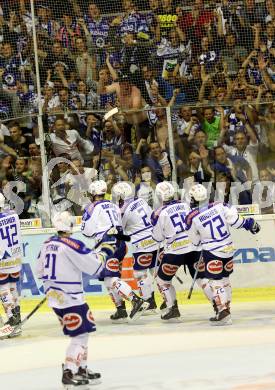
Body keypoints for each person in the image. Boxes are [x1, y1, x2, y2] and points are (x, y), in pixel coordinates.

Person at [36, 211, 116, 387]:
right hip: (71, 298)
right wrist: (104, 253)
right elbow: (95, 268)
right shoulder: (73, 244)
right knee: (80, 336)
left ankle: (81, 368)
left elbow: (39, 272)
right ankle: (69, 371)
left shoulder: (46, 243)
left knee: (82, 333)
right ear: (70, 225)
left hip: (54, 297)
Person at [185, 184, 261, 326]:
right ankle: (227, 309)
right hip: (228, 248)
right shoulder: (221, 205)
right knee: (225, 279)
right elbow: (237, 221)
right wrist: (251, 224)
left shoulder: (191, 217)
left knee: (216, 281)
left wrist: (203, 237)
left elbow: (194, 241)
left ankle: (223, 312)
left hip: (212, 252)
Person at [81, 180, 149, 322]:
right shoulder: (113, 205)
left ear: (93, 194)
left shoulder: (91, 207)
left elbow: (87, 232)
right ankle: (120, 309)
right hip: (120, 244)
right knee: (110, 279)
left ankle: (136, 300)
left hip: (107, 245)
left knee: (110, 278)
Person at [151, 182, 207, 321]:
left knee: (162, 280)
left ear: (159, 196)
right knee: (202, 279)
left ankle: (172, 308)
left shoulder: (159, 213)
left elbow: (157, 237)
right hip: (194, 247)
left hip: (175, 251)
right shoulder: (186, 205)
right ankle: (220, 307)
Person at [112, 181, 159, 315]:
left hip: (142, 244)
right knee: (154, 272)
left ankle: (149, 302)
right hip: (155, 239)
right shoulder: (142, 201)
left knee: (140, 274)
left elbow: (120, 229)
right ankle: (160, 301)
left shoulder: (122, 211)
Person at [0, 193, 22, 336]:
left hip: (2, 258)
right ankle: (17, 315)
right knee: (13, 286)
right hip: (15, 257)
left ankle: (11, 318)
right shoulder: (14, 215)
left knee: (3, 288)